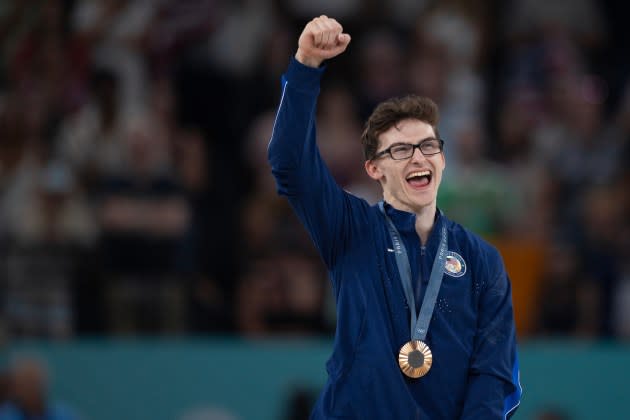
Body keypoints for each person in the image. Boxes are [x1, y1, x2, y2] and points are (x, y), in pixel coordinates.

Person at [268, 15, 522, 419]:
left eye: (427, 146)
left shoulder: (481, 261)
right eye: (401, 150)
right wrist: (304, 65)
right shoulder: (351, 229)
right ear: (374, 169)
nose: (418, 157)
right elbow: (288, 163)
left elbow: (492, 374)